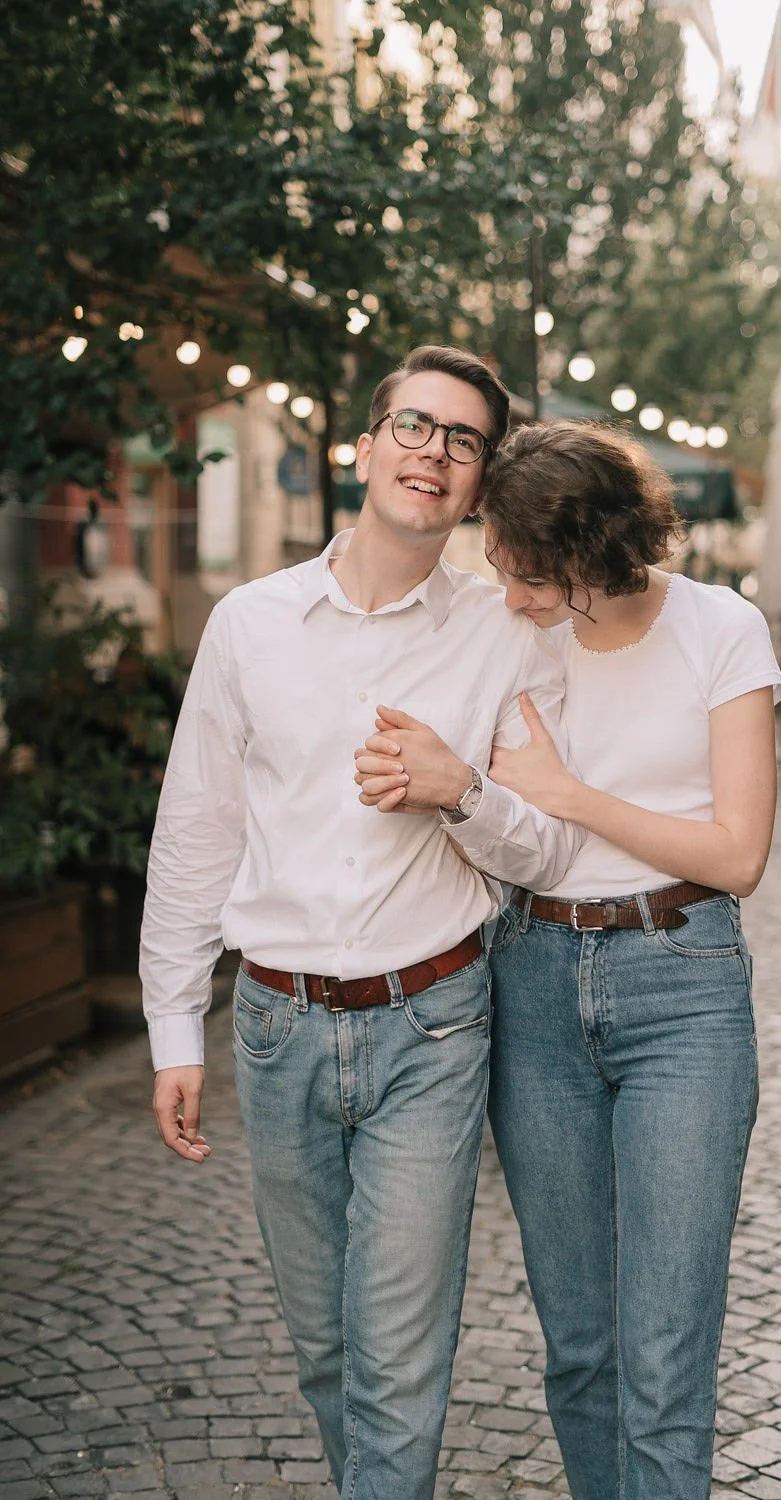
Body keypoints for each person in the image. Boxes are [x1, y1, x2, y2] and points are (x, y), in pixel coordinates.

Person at [139, 346, 580, 1500]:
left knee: (395, 1357)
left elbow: (550, 845)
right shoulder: (250, 624)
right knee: (327, 1352)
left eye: (464, 440)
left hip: (433, 1024)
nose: (434, 453)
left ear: (481, 482)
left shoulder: (508, 636)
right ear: (368, 443)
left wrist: (462, 792)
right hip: (275, 1028)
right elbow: (196, 833)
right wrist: (175, 1030)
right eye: (416, 427)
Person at [354, 420, 781, 1500]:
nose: (510, 593)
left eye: (533, 574)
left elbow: (739, 855)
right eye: (497, 563)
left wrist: (574, 796)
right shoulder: (513, 640)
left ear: (602, 551)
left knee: (665, 1351)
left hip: (683, 985)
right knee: (581, 1346)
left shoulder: (721, 630)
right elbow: (484, 809)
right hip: (534, 978)